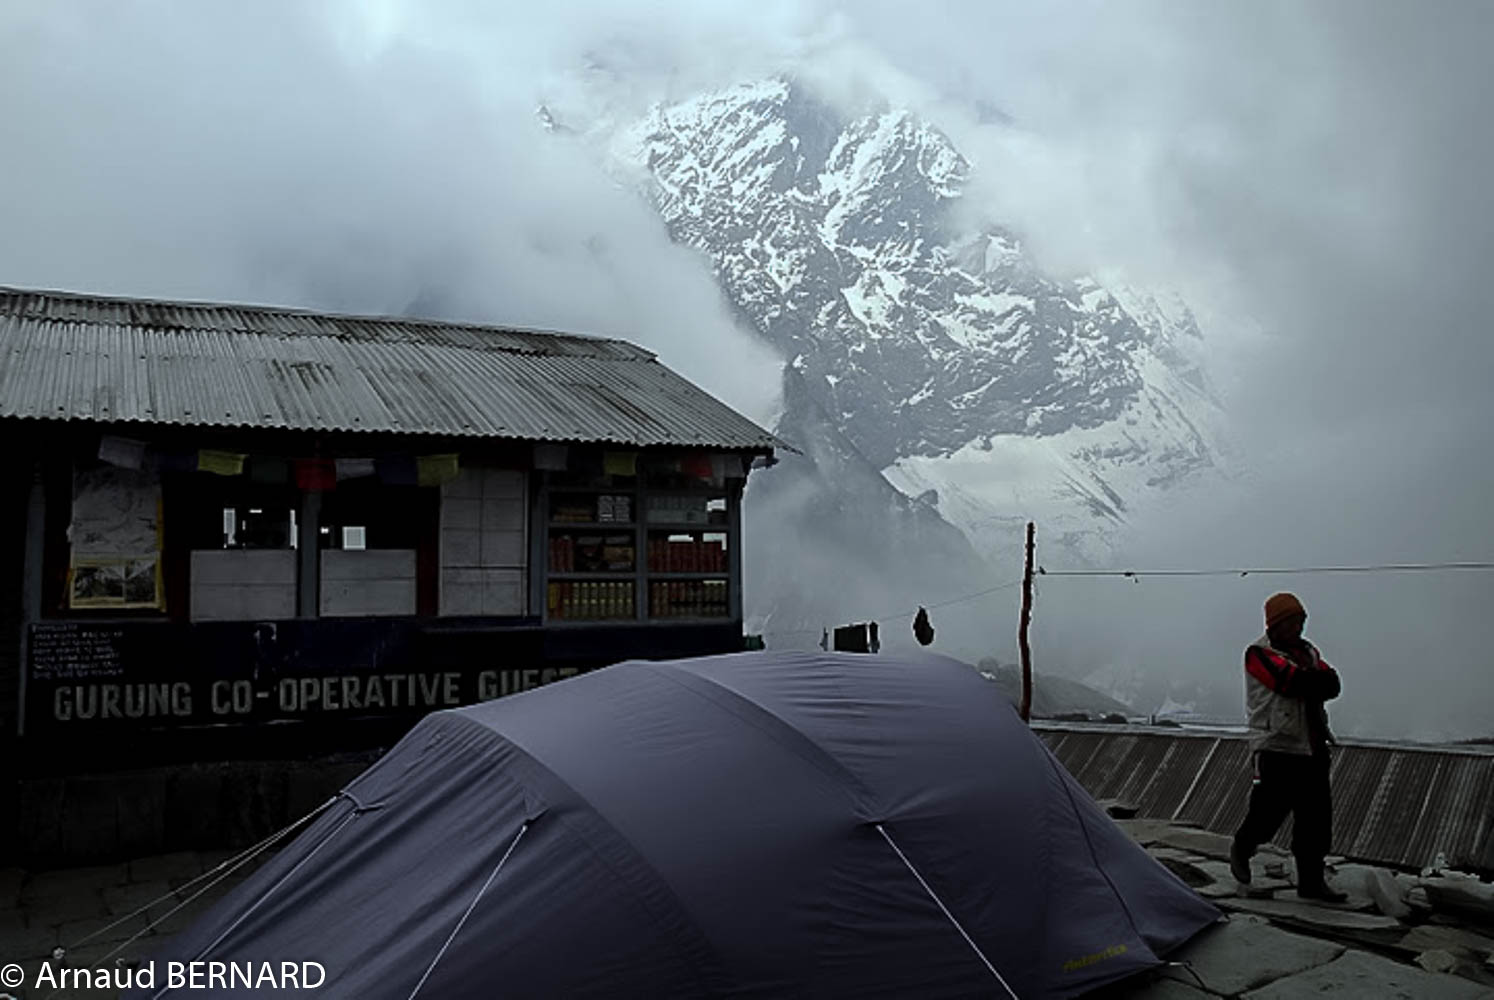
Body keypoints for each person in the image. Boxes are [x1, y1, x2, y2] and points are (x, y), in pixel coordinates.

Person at [1229, 592, 1348, 902]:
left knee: (1316, 819)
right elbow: (1290, 682)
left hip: (1312, 746)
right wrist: (1314, 681)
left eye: (1300, 621)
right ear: (1275, 624)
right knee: (1267, 812)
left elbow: (1333, 684)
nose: (1298, 627)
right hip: (1276, 746)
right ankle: (1243, 847)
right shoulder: (1258, 654)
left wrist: (1312, 680)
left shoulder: (1308, 652)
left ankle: (1311, 882)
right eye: (1292, 621)